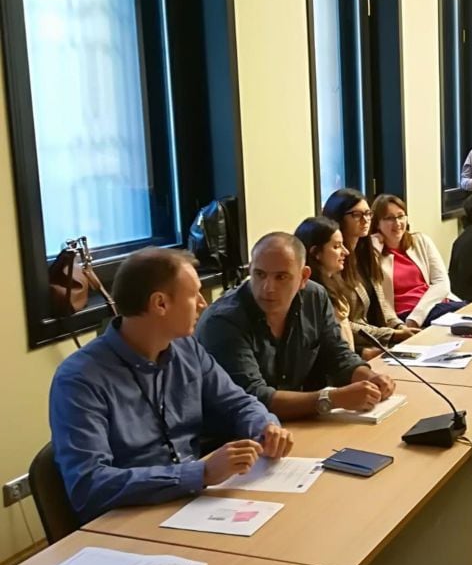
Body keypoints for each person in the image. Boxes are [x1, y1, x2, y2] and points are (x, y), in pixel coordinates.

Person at [50, 248, 294, 524]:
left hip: (194, 504)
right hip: (130, 519)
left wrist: (265, 428)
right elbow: (90, 485)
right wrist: (200, 473)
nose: (203, 304)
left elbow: (238, 403)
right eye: (194, 295)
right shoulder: (80, 379)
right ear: (160, 304)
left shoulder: (186, 348)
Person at [196, 233, 396, 421]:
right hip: (235, 437)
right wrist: (331, 399)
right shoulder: (223, 320)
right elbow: (253, 398)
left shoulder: (314, 297)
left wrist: (371, 378)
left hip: (296, 424)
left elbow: (336, 354)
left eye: (281, 277)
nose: (268, 287)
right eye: (260, 274)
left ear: (304, 277)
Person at [322, 188, 415, 357]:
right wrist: (391, 335)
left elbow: (382, 302)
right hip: (356, 346)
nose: (365, 220)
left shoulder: (367, 253)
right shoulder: (333, 261)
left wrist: (398, 326)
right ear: (338, 217)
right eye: (357, 215)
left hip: (379, 338)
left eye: (368, 213)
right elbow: (342, 322)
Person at [370, 193, 466, 328]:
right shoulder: (374, 253)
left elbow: (442, 282)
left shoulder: (420, 241)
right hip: (404, 315)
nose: (397, 223)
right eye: (389, 218)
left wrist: (416, 318)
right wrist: (373, 248)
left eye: (400, 216)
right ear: (377, 223)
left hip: (435, 307)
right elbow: (380, 299)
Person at [295, 216, 354, 348]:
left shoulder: (334, 280)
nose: (346, 252)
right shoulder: (310, 294)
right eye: (337, 246)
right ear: (316, 252)